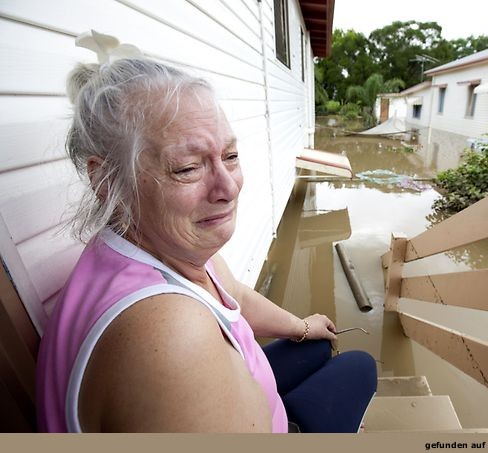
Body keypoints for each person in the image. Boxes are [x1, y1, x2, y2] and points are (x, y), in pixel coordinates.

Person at [35, 57, 377, 433]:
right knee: (359, 366)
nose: (229, 188)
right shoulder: (171, 336)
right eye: (187, 168)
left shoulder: (143, 245)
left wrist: (302, 327)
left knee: (314, 345)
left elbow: (234, 296)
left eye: (229, 156)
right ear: (106, 181)